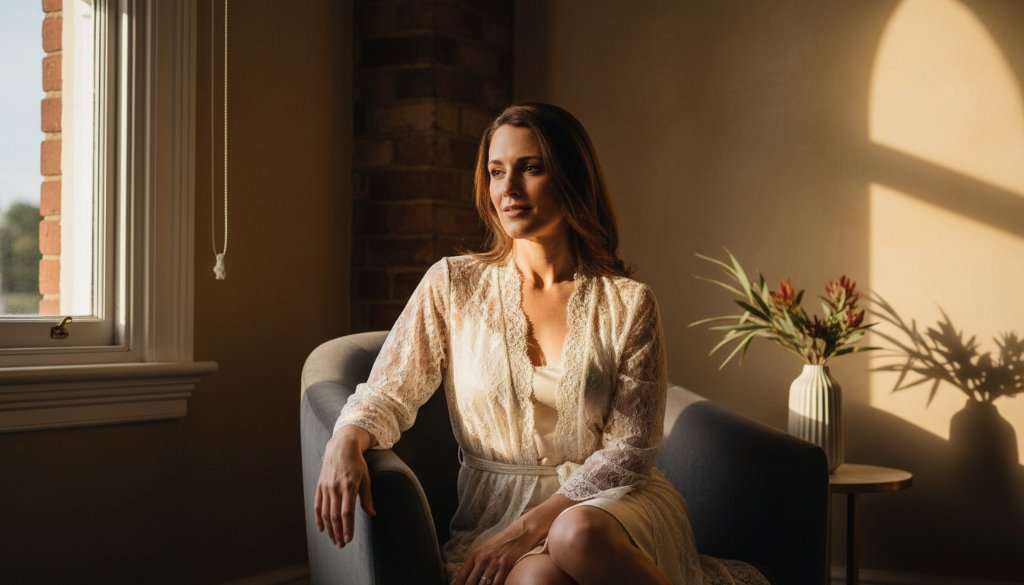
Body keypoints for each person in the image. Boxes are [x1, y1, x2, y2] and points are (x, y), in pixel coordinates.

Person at [315, 103, 704, 585]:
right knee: (535, 581)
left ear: (571, 179)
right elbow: (392, 389)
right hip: (495, 510)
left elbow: (631, 449)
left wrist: (531, 528)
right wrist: (345, 439)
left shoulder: (628, 303)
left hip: (606, 507)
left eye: (531, 168)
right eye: (497, 172)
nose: (508, 190)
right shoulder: (453, 284)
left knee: (575, 535)